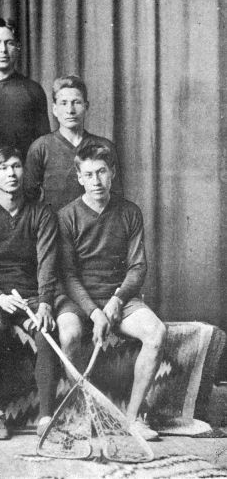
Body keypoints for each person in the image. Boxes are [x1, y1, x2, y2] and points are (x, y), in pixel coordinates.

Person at [57, 142, 166, 441]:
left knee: (156, 333)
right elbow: (66, 274)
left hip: (120, 297)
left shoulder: (130, 211)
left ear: (113, 173)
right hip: (79, 300)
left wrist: (118, 299)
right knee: (68, 335)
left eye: (102, 172)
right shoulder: (66, 216)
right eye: (89, 174)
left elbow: (138, 267)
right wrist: (93, 312)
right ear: (79, 177)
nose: (96, 181)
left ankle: (133, 418)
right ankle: (83, 412)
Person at [0, 146, 75, 440]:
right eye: (3, 168)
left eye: (16, 166)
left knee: (46, 332)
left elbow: (47, 261)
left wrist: (45, 303)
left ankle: (46, 417)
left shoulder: (42, 213)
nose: (11, 173)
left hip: (33, 293)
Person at [25, 75, 123, 210]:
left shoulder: (104, 146)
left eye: (76, 102)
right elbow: (29, 200)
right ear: (54, 109)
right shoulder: (41, 147)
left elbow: (116, 198)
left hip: (97, 227)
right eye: (63, 103)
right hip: (54, 227)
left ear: (86, 106)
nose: (70, 110)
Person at [0, 18, 49, 156]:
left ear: (18, 48)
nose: (3, 50)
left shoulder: (33, 90)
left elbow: (43, 145)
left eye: (9, 43)